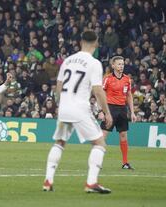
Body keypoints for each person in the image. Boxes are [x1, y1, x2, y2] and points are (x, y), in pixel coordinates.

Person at [42, 31, 113, 194]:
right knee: (99, 143)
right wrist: (106, 112)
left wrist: (62, 104)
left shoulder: (67, 61)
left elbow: (58, 87)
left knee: (59, 142)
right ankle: (91, 183)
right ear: (96, 43)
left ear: (81, 42)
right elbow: (98, 91)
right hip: (80, 108)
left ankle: (48, 180)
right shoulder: (94, 63)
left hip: (65, 107)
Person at [99, 56, 136, 170]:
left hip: (122, 109)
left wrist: (132, 112)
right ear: (113, 65)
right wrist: (102, 111)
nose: (121, 66)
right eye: (119, 64)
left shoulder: (126, 79)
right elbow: (101, 94)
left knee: (123, 135)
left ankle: (125, 163)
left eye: (122, 64)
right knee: (103, 136)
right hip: (109, 108)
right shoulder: (107, 78)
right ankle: (97, 161)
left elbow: (129, 95)